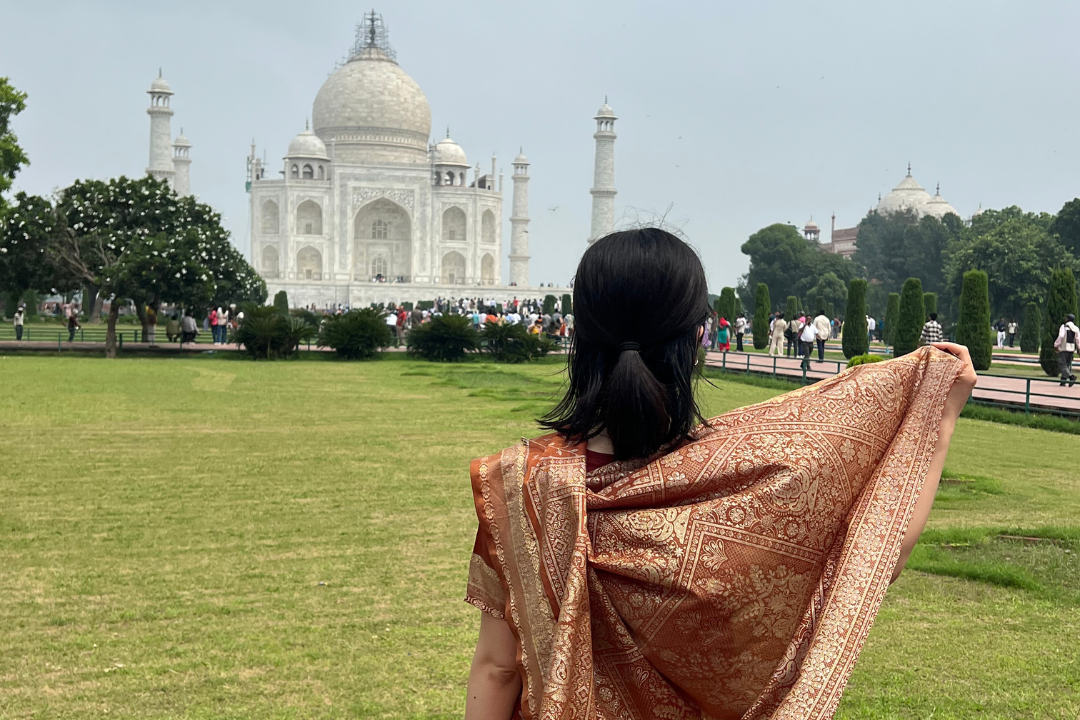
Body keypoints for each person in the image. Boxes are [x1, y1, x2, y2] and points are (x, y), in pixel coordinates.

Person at [462, 228, 977, 720]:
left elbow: (499, 666)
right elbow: (873, 555)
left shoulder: (526, 483)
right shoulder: (732, 484)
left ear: (580, 332)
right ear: (697, 336)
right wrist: (941, 421)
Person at [1054, 313, 1080, 386]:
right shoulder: (1076, 328)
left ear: (1067, 319)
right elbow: (1078, 340)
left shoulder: (1064, 326)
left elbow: (1061, 336)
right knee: (1067, 365)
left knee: (1062, 364)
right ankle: (1063, 381)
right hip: (1071, 348)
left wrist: (1056, 345)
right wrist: (1079, 348)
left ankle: (1071, 376)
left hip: (1064, 348)